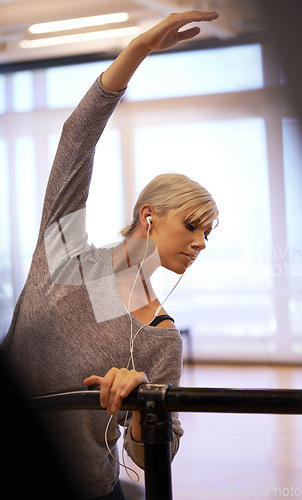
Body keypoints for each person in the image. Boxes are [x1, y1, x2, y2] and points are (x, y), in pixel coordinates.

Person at [1, 10, 219, 500]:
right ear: (149, 215)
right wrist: (137, 50)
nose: (201, 243)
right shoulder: (64, 256)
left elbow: (154, 458)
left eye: (209, 234)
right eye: (191, 226)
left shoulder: (161, 337)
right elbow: (76, 139)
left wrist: (142, 403)